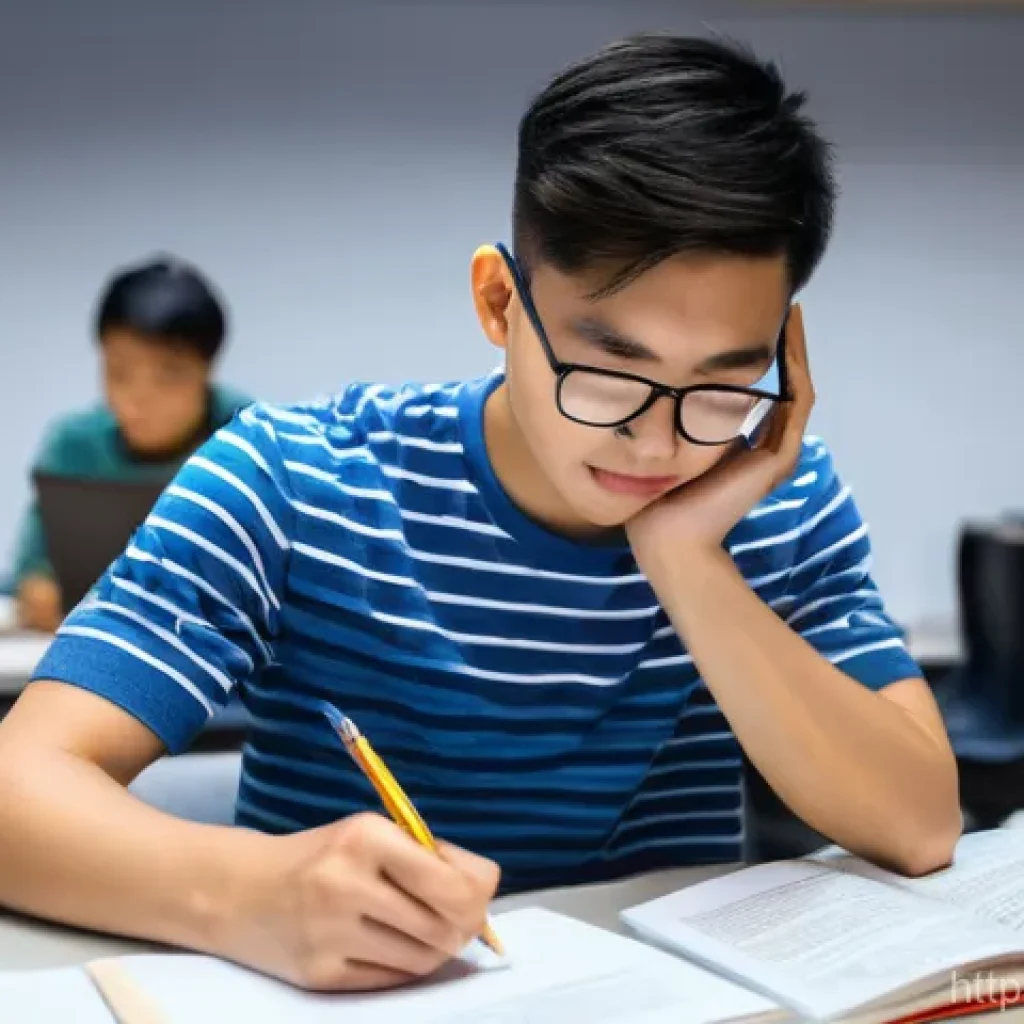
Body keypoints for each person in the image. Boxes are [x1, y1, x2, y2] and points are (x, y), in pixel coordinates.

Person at [0, 35, 959, 993]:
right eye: (610, 371)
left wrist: (689, 562)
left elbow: (919, 824)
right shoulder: (294, 477)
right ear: (501, 302)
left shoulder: (774, 492)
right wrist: (241, 893)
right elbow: (16, 789)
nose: (658, 444)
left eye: (723, 383)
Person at [10, 257, 250, 631]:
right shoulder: (73, 447)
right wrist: (39, 591)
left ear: (207, 368)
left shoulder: (248, 439)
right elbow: (32, 570)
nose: (138, 397)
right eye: (118, 372)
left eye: (168, 376)